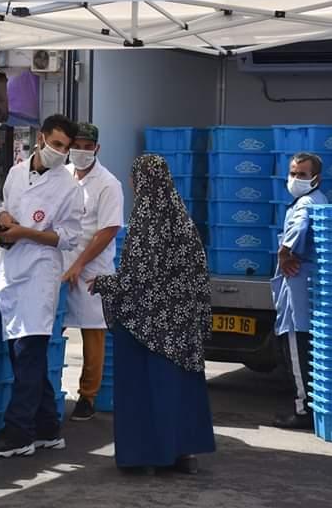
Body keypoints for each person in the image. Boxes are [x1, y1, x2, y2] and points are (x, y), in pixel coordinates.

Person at [89, 154, 214, 475]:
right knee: (179, 391)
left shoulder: (145, 219)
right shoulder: (182, 218)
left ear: (140, 181)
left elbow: (137, 277)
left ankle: (144, 456)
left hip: (147, 328)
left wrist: (102, 283)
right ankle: (182, 454)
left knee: (144, 391)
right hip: (182, 329)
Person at [0, 114, 84, 458]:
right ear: (41, 138)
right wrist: (5, 220)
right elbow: (6, 207)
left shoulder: (69, 187)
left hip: (39, 274)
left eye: (65, 148)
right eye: (56, 144)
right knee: (25, 356)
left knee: (28, 356)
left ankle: (18, 432)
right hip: (10, 269)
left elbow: (69, 237)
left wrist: (26, 232)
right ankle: (47, 427)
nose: (60, 152)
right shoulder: (15, 173)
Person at [61, 122, 123, 422]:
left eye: (87, 147)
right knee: (53, 326)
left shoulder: (108, 184)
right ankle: (51, 386)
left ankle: (87, 396)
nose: (81, 152)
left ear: (97, 149)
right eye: (77, 147)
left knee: (92, 333)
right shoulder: (62, 176)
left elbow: (108, 230)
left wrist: (79, 264)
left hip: (91, 270)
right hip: (60, 265)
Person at [272, 152, 328, 430]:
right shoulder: (318, 199)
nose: (295, 179)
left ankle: (302, 409)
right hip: (306, 288)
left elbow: (299, 226)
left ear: (315, 178)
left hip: (297, 291)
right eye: (293, 173)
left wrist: (285, 252)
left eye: (302, 175)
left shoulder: (306, 202)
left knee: (296, 350)